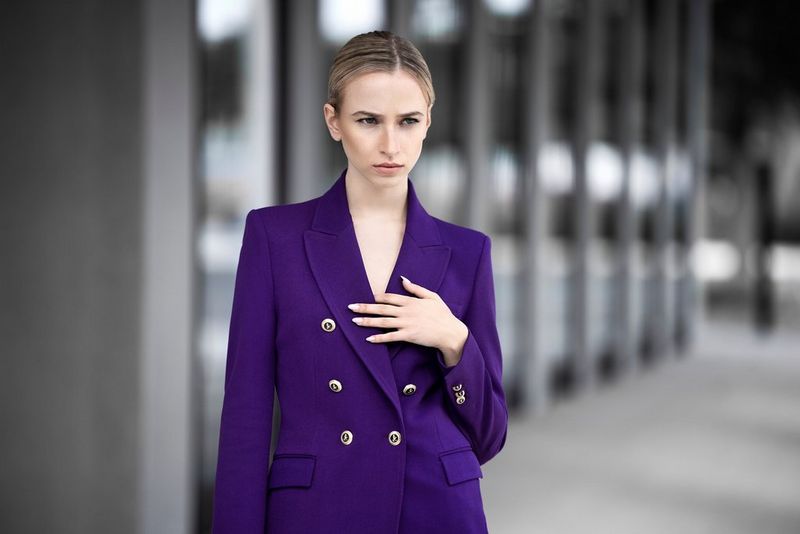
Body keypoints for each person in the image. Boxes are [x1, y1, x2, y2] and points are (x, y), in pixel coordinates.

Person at [211, 30, 508, 533]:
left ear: (427, 123)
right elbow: (245, 416)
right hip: (319, 510)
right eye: (368, 120)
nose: (390, 145)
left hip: (434, 511)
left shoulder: (467, 252)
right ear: (334, 122)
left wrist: (454, 339)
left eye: (408, 121)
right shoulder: (275, 238)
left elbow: (489, 437)